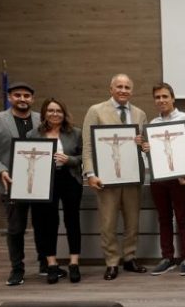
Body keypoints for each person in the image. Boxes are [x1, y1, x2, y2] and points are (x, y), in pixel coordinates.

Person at [82, 74, 148, 280]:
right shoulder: (96, 111)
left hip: (132, 176)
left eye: (127, 87)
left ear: (132, 91)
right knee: (108, 222)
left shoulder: (139, 114)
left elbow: (144, 146)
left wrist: (143, 144)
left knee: (132, 222)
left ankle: (129, 257)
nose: (123, 90)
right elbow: (88, 146)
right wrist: (90, 174)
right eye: (119, 86)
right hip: (106, 179)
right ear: (111, 89)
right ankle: (111, 262)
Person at [141, 83, 185, 277]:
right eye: (157, 97)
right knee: (164, 218)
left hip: (180, 177)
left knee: (182, 217)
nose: (161, 100)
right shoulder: (153, 123)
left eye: (165, 96)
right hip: (159, 178)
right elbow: (153, 154)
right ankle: (167, 258)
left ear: (173, 98)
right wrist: (146, 149)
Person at [0, 82, 45, 286]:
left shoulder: (42, 119)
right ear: (9, 97)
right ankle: (17, 269)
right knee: (15, 228)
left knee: (43, 225)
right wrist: (1, 170)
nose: (22, 99)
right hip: (11, 182)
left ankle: (45, 263)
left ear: (32, 99)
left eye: (26, 96)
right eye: (17, 95)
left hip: (40, 182)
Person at [26, 98, 83, 284]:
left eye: (58, 111)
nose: (55, 114)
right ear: (44, 113)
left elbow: (85, 156)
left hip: (70, 179)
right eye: (51, 110)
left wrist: (69, 160)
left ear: (64, 113)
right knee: (48, 222)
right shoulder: (33, 134)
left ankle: (74, 263)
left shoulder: (75, 133)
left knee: (72, 220)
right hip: (45, 181)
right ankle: (51, 264)